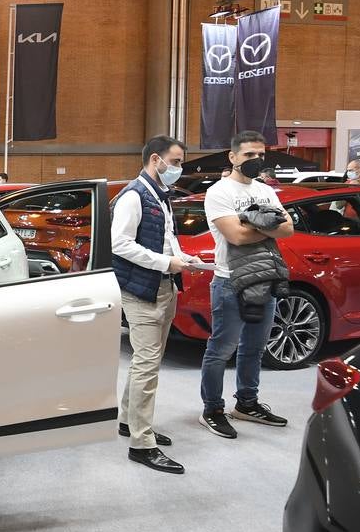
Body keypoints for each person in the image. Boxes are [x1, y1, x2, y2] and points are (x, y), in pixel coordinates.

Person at [111, 135, 198, 475]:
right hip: (141, 291)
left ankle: (127, 420)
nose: (178, 168)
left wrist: (179, 257)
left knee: (147, 362)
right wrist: (165, 263)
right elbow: (119, 244)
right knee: (147, 366)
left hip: (164, 287)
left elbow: (166, 236)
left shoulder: (159, 195)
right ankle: (142, 444)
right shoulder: (134, 195)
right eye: (175, 162)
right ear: (155, 160)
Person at [199, 131, 294, 437]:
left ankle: (247, 403)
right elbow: (236, 236)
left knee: (254, 348)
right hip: (230, 282)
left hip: (265, 280)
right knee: (221, 349)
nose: (256, 160)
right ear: (233, 157)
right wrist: (267, 227)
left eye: (260, 155)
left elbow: (288, 229)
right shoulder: (219, 192)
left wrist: (251, 223)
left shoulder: (266, 191)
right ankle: (212, 408)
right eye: (249, 155)